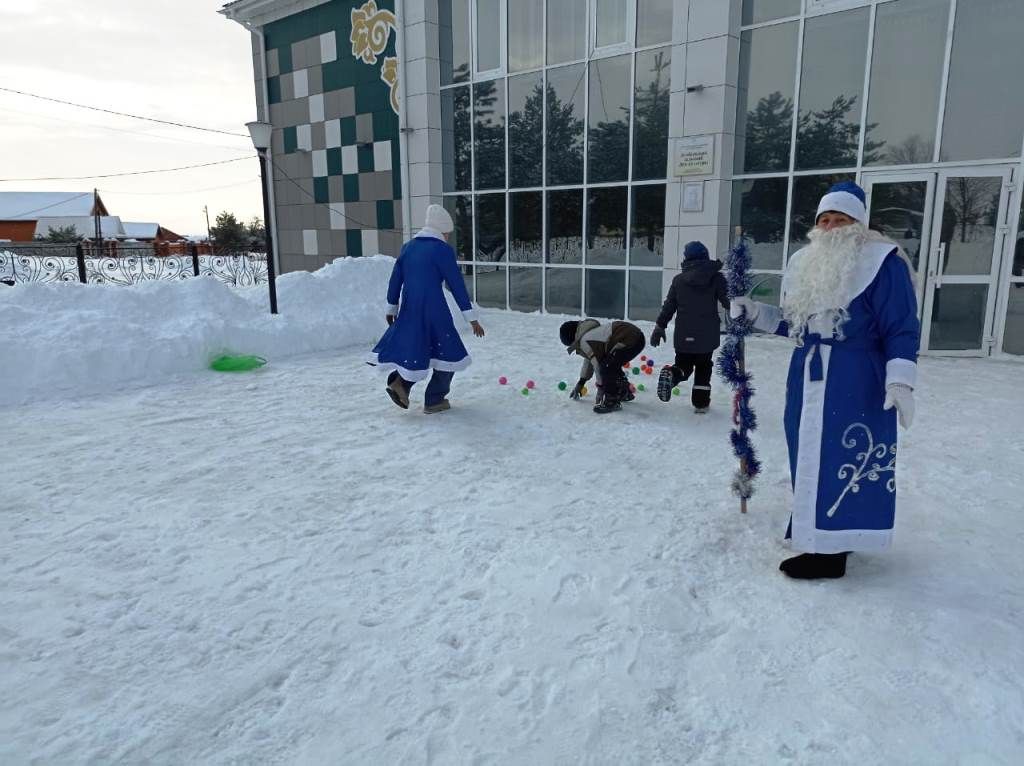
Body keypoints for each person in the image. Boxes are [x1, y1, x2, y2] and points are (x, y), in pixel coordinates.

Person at [731, 181, 920, 580]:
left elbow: (901, 326)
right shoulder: (806, 263)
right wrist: (755, 313)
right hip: (806, 373)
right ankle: (814, 528)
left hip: (856, 376)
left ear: (858, 223)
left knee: (842, 454)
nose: (832, 227)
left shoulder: (883, 262)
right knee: (808, 452)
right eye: (826, 220)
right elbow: (795, 323)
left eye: (841, 219)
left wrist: (900, 380)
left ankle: (830, 552)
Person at [370, 204, 485, 414]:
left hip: (410, 309)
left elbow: (396, 279)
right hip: (435, 311)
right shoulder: (442, 250)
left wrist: (392, 307)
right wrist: (472, 318)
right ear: (442, 230)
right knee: (448, 354)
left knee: (419, 349)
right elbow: (456, 284)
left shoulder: (408, 247)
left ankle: (400, 384)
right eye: (447, 233)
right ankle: (434, 400)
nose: (448, 236)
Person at [650, 240, 730, 412]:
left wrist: (660, 326)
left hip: (684, 333)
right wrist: (740, 310)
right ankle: (701, 403)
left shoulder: (678, 280)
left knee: (684, 365)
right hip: (707, 335)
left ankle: (673, 374)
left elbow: (669, 305)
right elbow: (728, 301)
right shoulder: (716, 278)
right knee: (703, 365)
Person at [560, 318, 644, 414]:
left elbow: (596, 365)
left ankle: (611, 401)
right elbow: (589, 361)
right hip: (636, 338)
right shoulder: (588, 334)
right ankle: (624, 392)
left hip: (630, 339)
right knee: (611, 365)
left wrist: (601, 388)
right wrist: (581, 383)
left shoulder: (585, 340)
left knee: (606, 367)